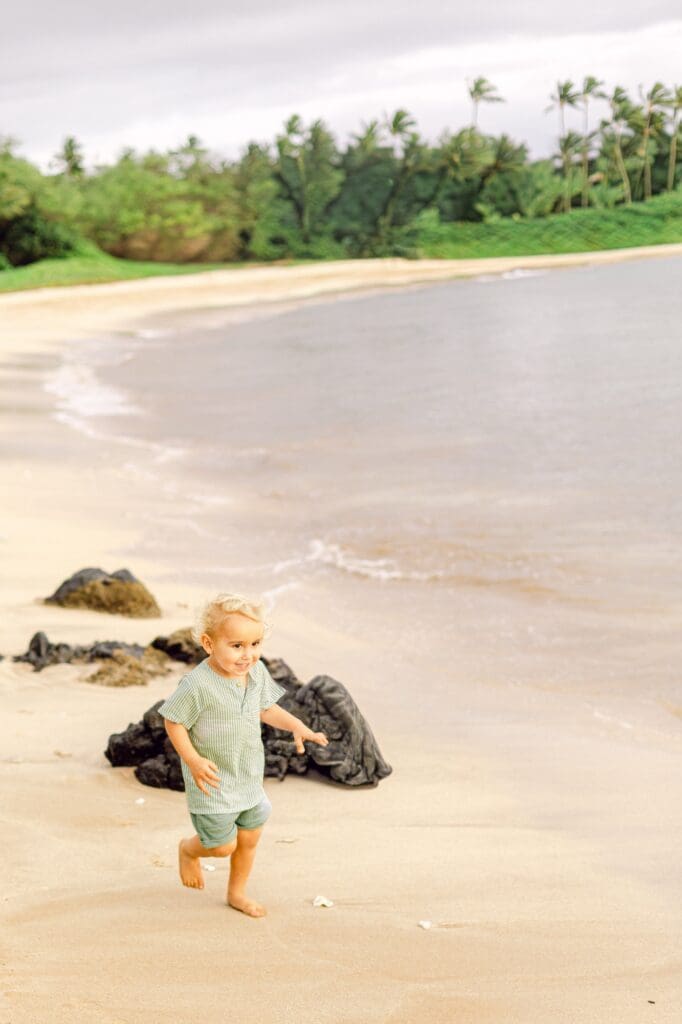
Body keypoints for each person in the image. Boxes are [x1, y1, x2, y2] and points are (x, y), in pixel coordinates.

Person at [159, 592, 328, 918]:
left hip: (248, 774)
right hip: (212, 780)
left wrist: (296, 725)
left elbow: (265, 708)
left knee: (249, 838)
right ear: (209, 644)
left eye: (255, 644)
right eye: (237, 646)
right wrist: (193, 760)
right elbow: (173, 720)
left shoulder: (255, 672)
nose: (247, 654)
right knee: (222, 846)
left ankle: (237, 893)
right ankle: (188, 850)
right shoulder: (197, 685)